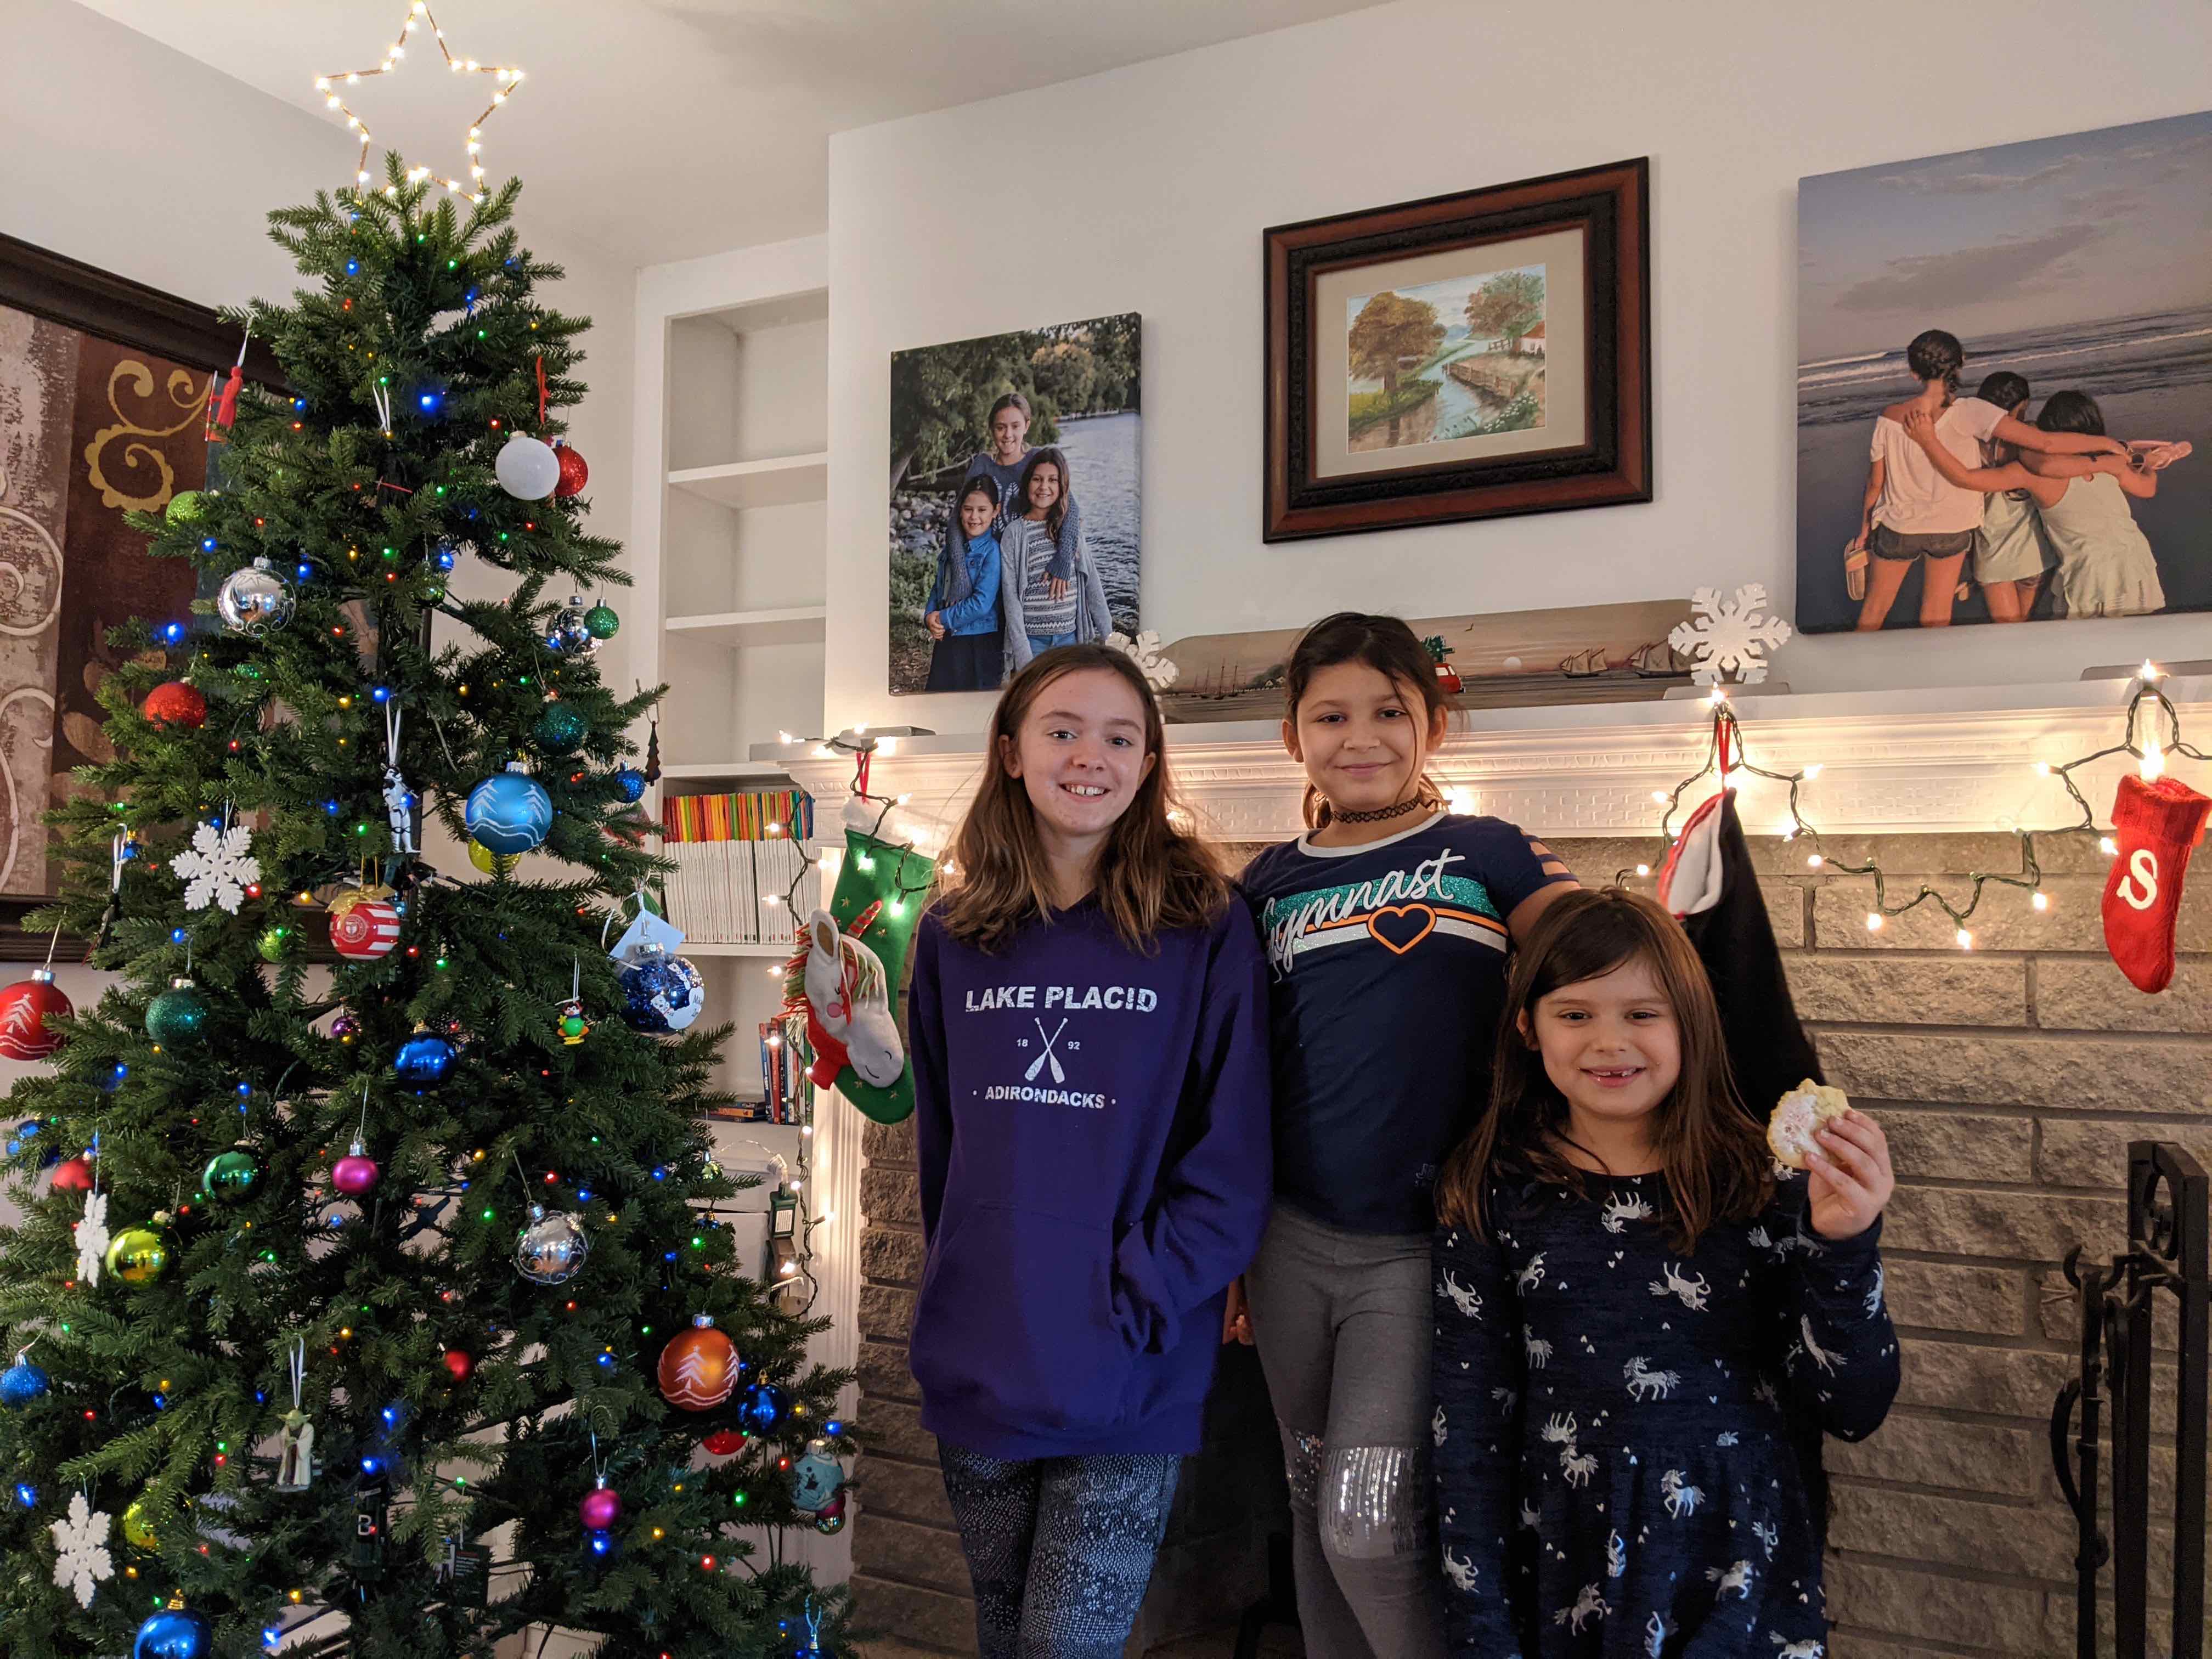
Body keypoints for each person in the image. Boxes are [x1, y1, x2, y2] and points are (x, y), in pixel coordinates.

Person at [906, 644, 1275, 1659]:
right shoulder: (950, 930)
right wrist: (956, 1280)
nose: (1090, 756)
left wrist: (1143, 1284)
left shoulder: (1203, 922)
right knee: (1001, 1633)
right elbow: (945, 1144)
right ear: (1012, 751)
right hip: (982, 1343)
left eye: (1120, 736)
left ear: (1150, 762)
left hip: (1129, 1357)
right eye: (1062, 729)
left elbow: (1233, 1148)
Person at [1430, 888, 1899, 1658]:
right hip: (1561, 1565)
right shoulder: (1490, 1189)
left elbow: (1854, 1408)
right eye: (1575, 1014)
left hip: (1741, 1571)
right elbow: (1468, 1425)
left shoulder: (1767, 1184)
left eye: (1642, 1014)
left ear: (1691, 1024)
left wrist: (1844, 1246)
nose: (1609, 1041)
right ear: (1527, 1029)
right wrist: (1482, 1631)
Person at [1234, 612, 1577, 1659]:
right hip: (1286, 1240)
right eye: (1329, 715)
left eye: (1389, 710)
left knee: (1368, 1519)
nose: (1361, 736)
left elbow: (1599, 966)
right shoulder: (1265, 882)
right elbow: (1226, 1064)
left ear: (1435, 721)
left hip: (1426, 1244)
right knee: (1308, 1500)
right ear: (1293, 736)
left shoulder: (1486, 851)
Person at [1846, 329, 2125, 630]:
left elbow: (1876, 483)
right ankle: (1935, 674)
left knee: (1874, 611)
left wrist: (1864, 530)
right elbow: (2045, 443)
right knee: (1936, 615)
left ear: (1914, 373)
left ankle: (1853, 673)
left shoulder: (1890, 417)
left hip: (1899, 527)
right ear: (1960, 363)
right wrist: (2108, 445)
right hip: (1951, 527)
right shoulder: (1972, 411)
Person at [1901, 390, 2182, 619]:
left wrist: (1928, 441)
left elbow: (1964, 478)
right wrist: (2147, 463)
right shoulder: (2114, 464)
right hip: (2134, 558)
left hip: (2089, 568)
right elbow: (2148, 488)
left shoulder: (2036, 471)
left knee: (2083, 650)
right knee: (2137, 641)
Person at [1002, 448, 1113, 672]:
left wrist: (1110, 637)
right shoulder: (1015, 533)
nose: (1044, 487)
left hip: (1070, 639)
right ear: (1027, 484)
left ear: (1062, 486)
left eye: (1053, 480)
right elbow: (1011, 598)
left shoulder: (1070, 533)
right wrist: (1023, 654)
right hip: (1033, 642)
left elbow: (1092, 583)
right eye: (1037, 479)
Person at [1960, 371, 2052, 624]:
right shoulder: (2034, 437)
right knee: (2025, 630)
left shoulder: (1966, 442)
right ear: (2019, 406)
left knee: (2009, 636)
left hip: (1991, 557)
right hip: (2035, 552)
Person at [923, 476, 1005, 691]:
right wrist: (930, 616)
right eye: (968, 509)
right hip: (948, 639)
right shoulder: (952, 548)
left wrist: (942, 617)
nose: (974, 517)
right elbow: (938, 587)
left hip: (978, 643)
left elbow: (982, 603)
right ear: (960, 509)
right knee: (938, 702)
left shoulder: (991, 551)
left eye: (982, 510)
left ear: (996, 511)